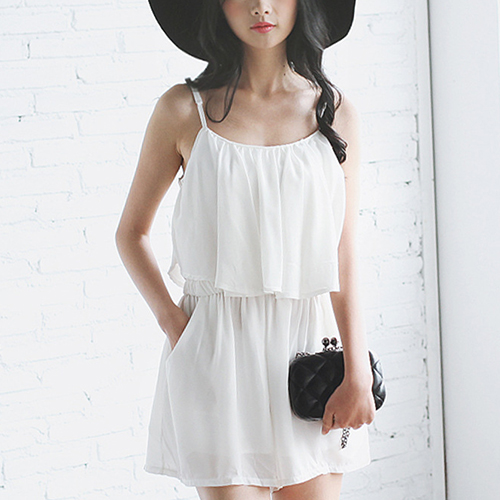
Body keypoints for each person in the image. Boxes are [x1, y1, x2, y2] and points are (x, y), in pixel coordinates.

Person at [115, 0, 375, 498]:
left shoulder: (335, 111)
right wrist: (178, 328)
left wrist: (357, 368)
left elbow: (343, 251)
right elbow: (131, 233)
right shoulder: (182, 110)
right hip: (217, 352)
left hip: (311, 349)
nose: (260, 6)